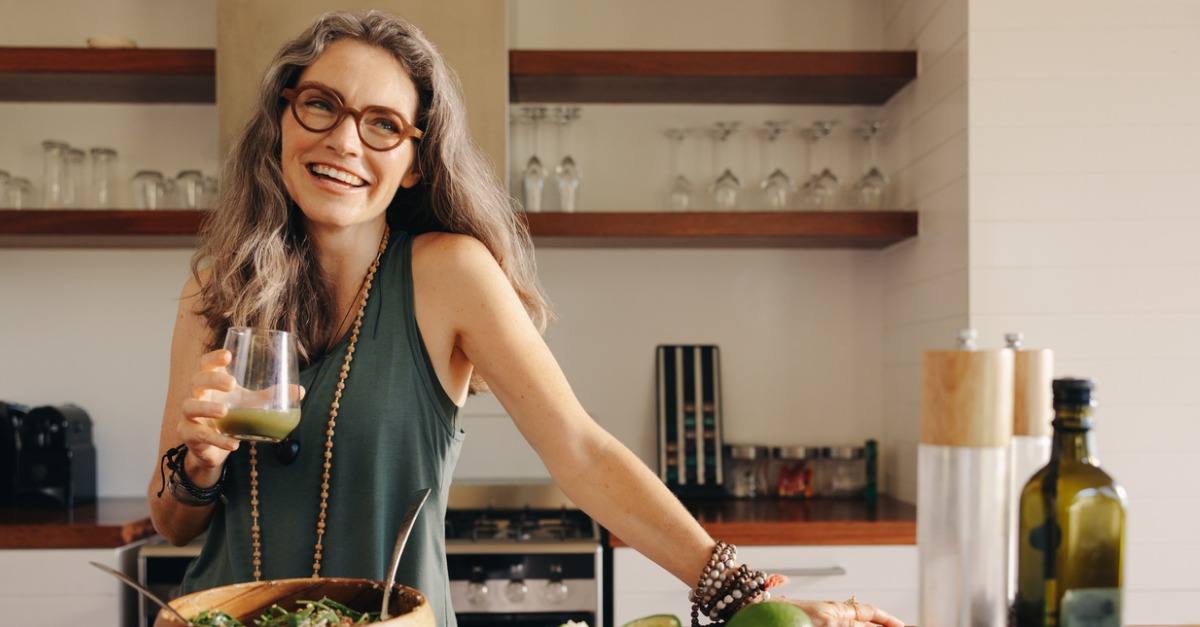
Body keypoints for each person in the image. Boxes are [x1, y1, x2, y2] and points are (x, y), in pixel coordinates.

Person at [147, 10, 903, 627]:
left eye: (382, 123)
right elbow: (173, 521)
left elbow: (581, 450)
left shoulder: (448, 275)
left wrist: (740, 592)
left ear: (413, 161)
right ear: (283, 117)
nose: (344, 139)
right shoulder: (215, 287)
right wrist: (196, 465)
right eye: (322, 105)